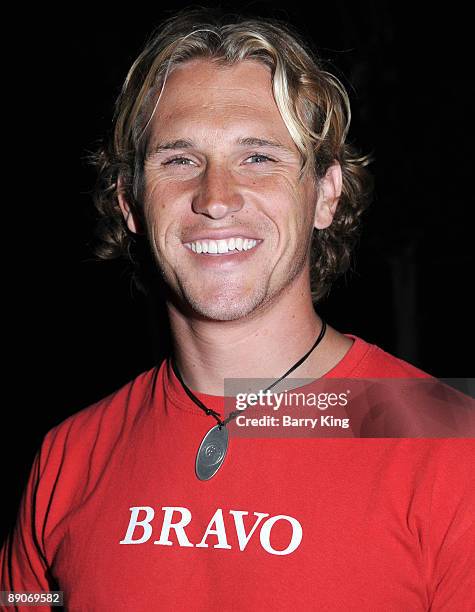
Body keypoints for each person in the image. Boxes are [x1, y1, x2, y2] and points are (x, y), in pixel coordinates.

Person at [1, 7, 473, 611]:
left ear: (325, 193)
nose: (216, 198)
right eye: (178, 160)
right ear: (131, 206)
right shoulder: (68, 457)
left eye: (258, 157)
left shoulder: (450, 447)